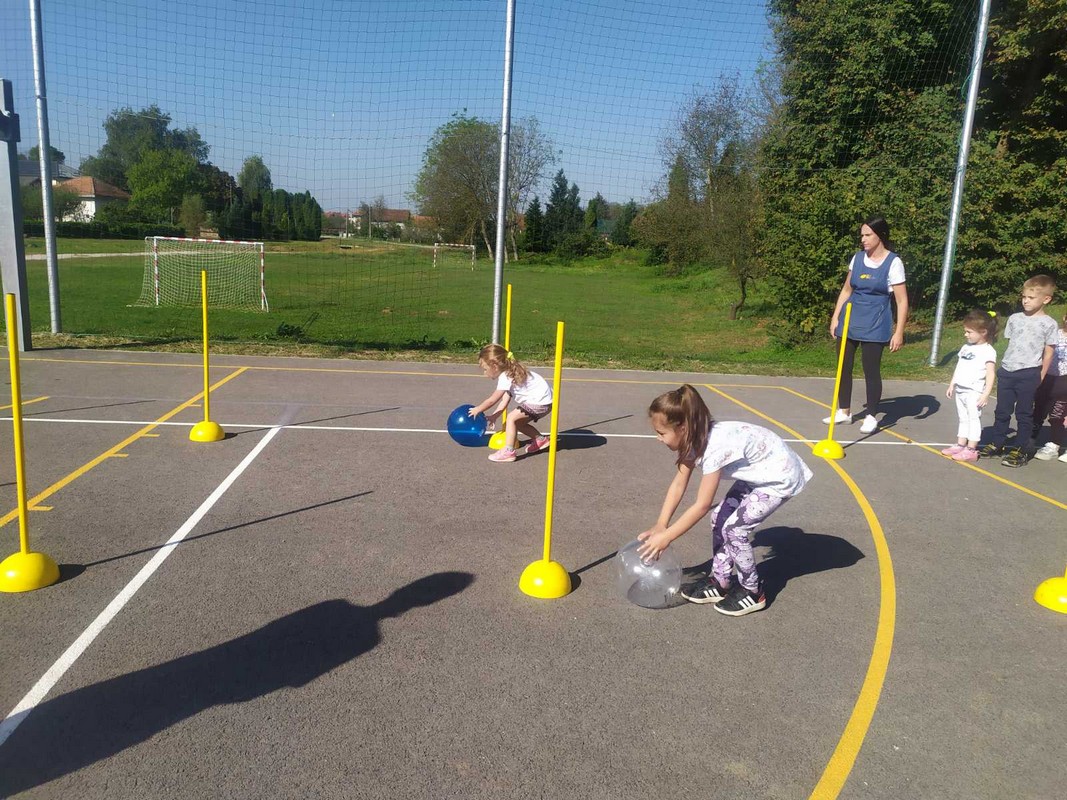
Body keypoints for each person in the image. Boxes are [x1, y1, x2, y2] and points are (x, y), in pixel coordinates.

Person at [637, 384, 813, 617]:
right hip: (759, 472)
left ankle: (753, 591)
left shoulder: (713, 448)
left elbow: (701, 504)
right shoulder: (692, 438)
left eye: (661, 433)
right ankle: (721, 582)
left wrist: (667, 537)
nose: (658, 439)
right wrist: (662, 524)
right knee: (720, 518)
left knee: (734, 530)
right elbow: (679, 484)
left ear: (683, 428)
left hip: (778, 476)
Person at [824, 215, 910, 435]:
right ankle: (844, 411)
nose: (863, 239)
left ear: (880, 235)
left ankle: (871, 415)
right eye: (862, 235)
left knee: (871, 370)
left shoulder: (894, 263)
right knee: (843, 366)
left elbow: (901, 301)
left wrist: (899, 332)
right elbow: (847, 290)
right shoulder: (858, 258)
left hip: (876, 324)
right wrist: (835, 317)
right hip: (850, 319)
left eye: (867, 235)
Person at [978, 275, 1058, 467]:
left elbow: (1049, 353)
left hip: (1029, 373)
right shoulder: (1014, 319)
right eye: (1023, 297)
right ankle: (997, 442)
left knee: (1023, 413)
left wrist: (1041, 374)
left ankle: (1021, 449)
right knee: (1002, 410)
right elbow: (1012, 344)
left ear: (1046, 299)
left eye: (1031, 298)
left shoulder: (1049, 324)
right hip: (1008, 370)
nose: (1025, 301)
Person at [469, 344, 553, 463]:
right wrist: (494, 416)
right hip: (545, 402)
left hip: (539, 402)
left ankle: (508, 451)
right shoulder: (512, 371)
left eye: (485, 369)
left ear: (494, 366)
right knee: (517, 423)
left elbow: (492, 399)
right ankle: (540, 440)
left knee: (511, 418)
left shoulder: (505, 376)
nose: (484, 373)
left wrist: (478, 409)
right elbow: (505, 400)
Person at [942, 311, 998, 462]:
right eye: (965, 331)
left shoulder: (988, 351)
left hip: (974, 392)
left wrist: (985, 394)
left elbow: (990, 374)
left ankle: (971, 449)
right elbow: (959, 367)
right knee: (963, 417)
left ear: (983, 332)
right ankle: (961, 444)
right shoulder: (966, 347)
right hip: (961, 389)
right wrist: (952, 384)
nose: (965, 334)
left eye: (969, 332)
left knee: (973, 419)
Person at [1032, 308, 1067, 463]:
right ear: (1065, 318)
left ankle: (1054, 445)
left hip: (1064, 381)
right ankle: (1029, 439)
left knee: (1057, 415)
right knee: (1038, 410)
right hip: (1047, 377)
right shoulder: (1055, 334)